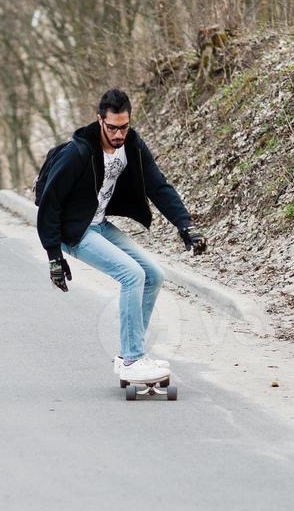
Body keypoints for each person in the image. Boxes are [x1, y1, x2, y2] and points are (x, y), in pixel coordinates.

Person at [36, 88, 208, 384]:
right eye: (113, 127)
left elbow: (158, 186)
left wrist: (185, 225)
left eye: (124, 127)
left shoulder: (132, 146)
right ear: (100, 121)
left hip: (99, 225)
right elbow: (49, 205)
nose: (119, 134)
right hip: (75, 231)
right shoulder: (77, 153)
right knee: (132, 275)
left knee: (153, 275)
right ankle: (132, 359)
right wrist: (54, 256)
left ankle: (132, 352)